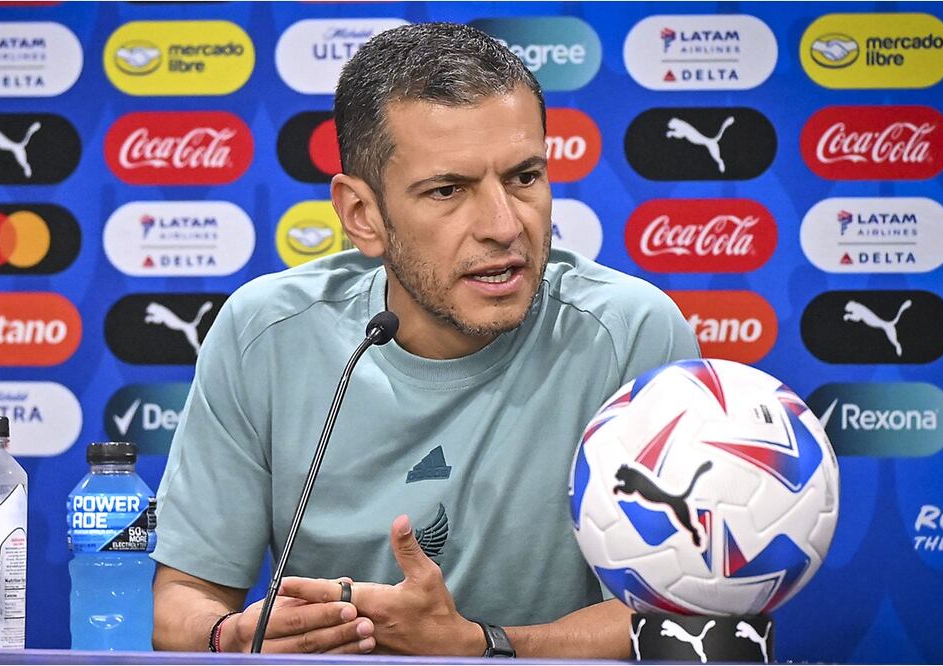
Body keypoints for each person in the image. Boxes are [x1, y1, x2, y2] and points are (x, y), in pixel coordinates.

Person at [151, 22, 698, 658]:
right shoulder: (264, 334)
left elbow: (684, 613)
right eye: (448, 190)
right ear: (363, 215)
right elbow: (180, 599)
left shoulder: (630, 334)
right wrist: (230, 636)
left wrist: (481, 645)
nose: (503, 225)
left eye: (524, 177)